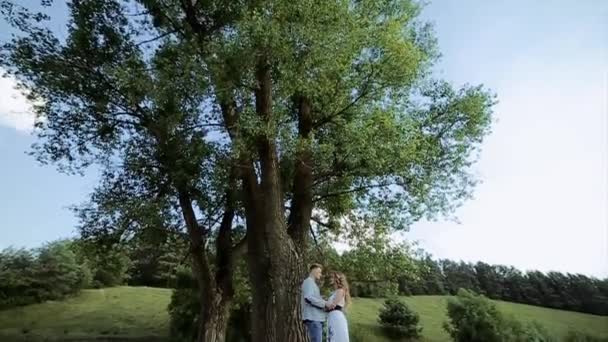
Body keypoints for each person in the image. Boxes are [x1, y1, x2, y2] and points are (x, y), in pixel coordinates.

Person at [301, 263, 333, 342]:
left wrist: (321, 299)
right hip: (313, 318)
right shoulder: (308, 282)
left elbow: (312, 297)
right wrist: (325, 303)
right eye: (319, 272)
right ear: (313, 270)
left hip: (316, 318)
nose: (321, 274)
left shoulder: (312, 283)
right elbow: (308, 298)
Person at [326, 271, 351, 342]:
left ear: (336, 279)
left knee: (336, 336)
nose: (330, 279)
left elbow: (333, 305)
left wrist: (323, 304)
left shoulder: (340, 290)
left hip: (336, 316)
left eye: (332, 277)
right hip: (332, 316)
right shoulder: (335, 291)